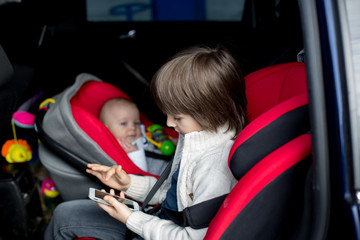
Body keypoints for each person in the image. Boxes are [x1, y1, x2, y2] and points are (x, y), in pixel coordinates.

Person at [44, 44, 248, 240]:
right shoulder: (194, 136)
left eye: (177, 118)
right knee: (65, 213)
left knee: (65, 221)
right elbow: (170, 192)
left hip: (163, 229)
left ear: (210, 113)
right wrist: (128, 184)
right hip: (158, 218)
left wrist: (131, 219)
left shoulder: (213, 171)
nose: (168, 123)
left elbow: (190, 237)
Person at [99, 98, 148, 172]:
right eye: (124, 123)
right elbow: (141, 175)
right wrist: (135, 153)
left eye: (136, 123)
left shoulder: (141, 134)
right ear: (106, 129)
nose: (133, 128)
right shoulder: (114, 152)